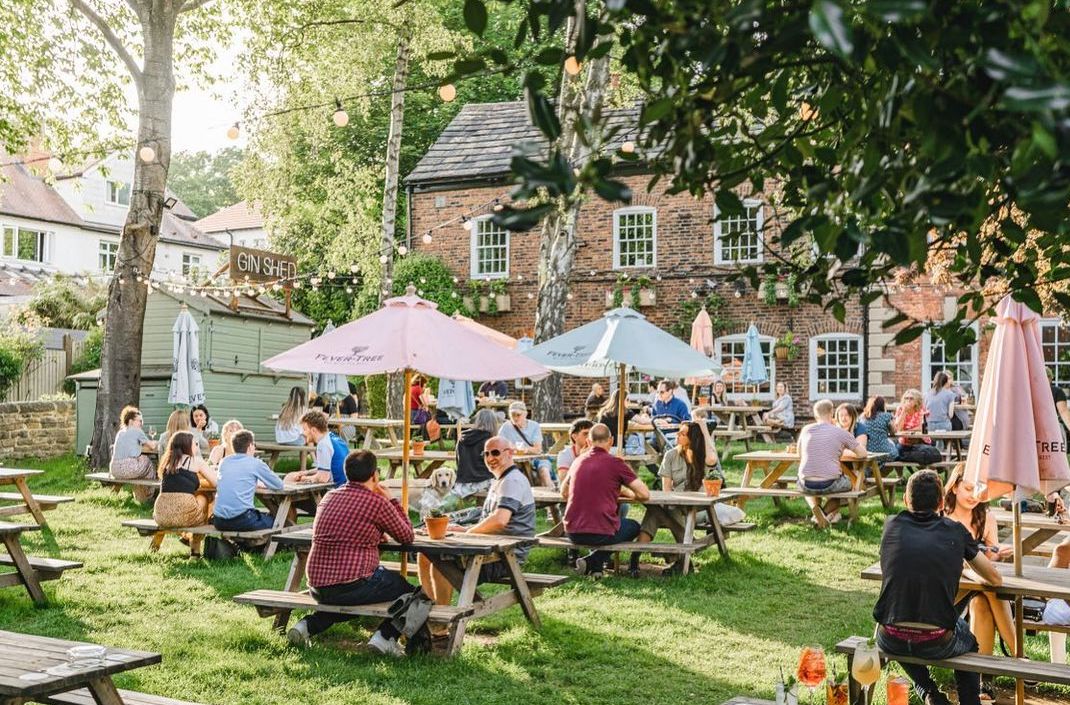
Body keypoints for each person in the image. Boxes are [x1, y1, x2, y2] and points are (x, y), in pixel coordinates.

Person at [873, 469, 1002, 705]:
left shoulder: (891, 526)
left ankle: (929, 692)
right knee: (970, 642)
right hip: (936, 640)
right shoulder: (955, 530)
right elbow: (995, 579)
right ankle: (968, 702)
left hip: (889, 636)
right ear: (942, 501)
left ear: (905, 500)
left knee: (897, 628)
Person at [286, 450, 416, 656]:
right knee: (413, 593)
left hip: (317, 586)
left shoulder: (330, 497)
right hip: (352, 585)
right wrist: (391, 500)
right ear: (375, 475)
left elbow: (351, 529)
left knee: (345, 599)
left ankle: (306, 626)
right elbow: (407, 536)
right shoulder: (377, 503)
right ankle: (385, 637)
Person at [419, 436, 537, 609]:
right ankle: (428, 611)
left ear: (510, 453)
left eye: (495, 453)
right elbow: (488, 519)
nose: (490, 458)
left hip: (504, 555)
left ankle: (439, 624)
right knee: (425, 554)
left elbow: (499, 520)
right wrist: (459, 529)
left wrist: (467, 533)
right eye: (486, 454)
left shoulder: (512, 480)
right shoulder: (500, 479)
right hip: (490, 546)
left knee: (440, 563)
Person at [942, 466, 1016, 683]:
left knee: (983, 601)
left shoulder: (986, 518)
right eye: (968, 488)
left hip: (977, 588)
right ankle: (1020, 656)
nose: (974, 496)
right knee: (991, 590)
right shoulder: (942, 516)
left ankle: (983, 681)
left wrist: (997, 555)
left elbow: (989, 563)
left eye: (978, 490)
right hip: (950, 593)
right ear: (954, 487)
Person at [561, 423, 650, 577]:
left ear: (588, 442)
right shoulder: (616, 463)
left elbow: (564, 492)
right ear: (611, 441)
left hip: (572, 531)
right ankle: (593, 561)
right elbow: (644, 494)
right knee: (634, 526)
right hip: (601, 533)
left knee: (611, 524)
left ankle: (595, 566)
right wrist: (627, 492)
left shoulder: (577, 462)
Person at [636, 420, 722, 576]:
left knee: (659, 512)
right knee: (656, 511)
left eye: (682, 434)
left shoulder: (703, 456)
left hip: (699, 509)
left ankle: (680, 560)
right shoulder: (670, 455)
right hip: (677, 505)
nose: (677, 435)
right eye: (679, 432)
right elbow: (666, 490)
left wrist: (703, 428)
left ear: (693, 439)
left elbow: (712, 459)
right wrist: (670, 503)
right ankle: (637, 558)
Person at [797, 400, 865, 524]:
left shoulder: (806, 430)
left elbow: (799, 454)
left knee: (807, 485)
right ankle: (822, 514)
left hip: (805, 483)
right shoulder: (841, 432)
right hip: (830, 483)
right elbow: (862, 453)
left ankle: (816, 510)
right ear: (832, 412)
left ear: (815, 414)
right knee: (846, 488)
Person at [213, 430, 284, 532]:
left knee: (260, 517)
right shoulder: (255, 463)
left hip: (219, 521)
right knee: (277, 521)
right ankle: (275, 546)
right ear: (250, 446)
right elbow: (279, 485)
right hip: (242, 520)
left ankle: (249, 545)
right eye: (254, 445)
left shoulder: (224, 462)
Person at [153, 431, 217, 530]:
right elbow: (216, 483)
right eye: (195, 444)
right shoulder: (196, 461)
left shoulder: (168, 463)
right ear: (187, 446)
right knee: (203, 497)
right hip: (184, 516)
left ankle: (187, 538)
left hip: (161, 515)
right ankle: (195, 541)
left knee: (194, 498)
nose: (197, 446)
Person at [284, 411, 348, 487]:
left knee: (289, 478)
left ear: (313, 430)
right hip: (346, 484)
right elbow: (326, 467)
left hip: (337, 488)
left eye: (304, 429)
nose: (302, 433)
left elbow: (323, 478)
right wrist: (306, 473)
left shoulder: (323, 444)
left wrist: (301, 478)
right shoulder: (333, 438)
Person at [498, 401, 554, 488]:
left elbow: (538, 449)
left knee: (544, 472)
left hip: (536, 458)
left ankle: (551, 496)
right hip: (514, 460)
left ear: (525, 414)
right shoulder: (505, 427)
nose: (515, 418)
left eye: (518, 415)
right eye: (512, 415)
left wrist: (526, 449)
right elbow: (499, 447)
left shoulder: (534, 426)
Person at [109, 405, 158, 502]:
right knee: (148, 462)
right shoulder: (137, 431)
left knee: (142, 466)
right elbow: (152, 446)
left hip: (115, 470)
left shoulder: (120, 432)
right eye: (139, 421)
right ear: (131, 421)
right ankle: (148, 495)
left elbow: (130, 446)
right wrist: (156, 442)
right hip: (128, 469)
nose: (141, 423)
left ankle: (141, 495)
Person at [453, 408, 500, 498]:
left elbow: (458, 461)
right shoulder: (490, 441)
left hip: (462, 484)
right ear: (493, 423)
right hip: (482, 482)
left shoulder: (463, 438)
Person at [895, 389, 943, 466]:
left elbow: (921, 427)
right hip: (904, 441)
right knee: (897, 452)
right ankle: (900, 476)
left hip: (920, 440)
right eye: (906, 398)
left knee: (925, 453)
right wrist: (904, 411)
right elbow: (898, 429)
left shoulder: (921, 410)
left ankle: (930, 472)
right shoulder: (900, 409)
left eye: (911, 398)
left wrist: (907, 430)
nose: (908, 400)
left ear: (917, 401)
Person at [861, 396, 899, 460]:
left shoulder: (863, 417)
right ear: (882, 405)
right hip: (884, 451)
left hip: (868, 451)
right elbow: (894, 431)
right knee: (895, 445)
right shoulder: (886, 416)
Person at [1049, 368, 1070, 442]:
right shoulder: (1057, 391)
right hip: (1053, 427)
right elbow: (1063, 411)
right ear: (1050, 378)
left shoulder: (1028, 392)